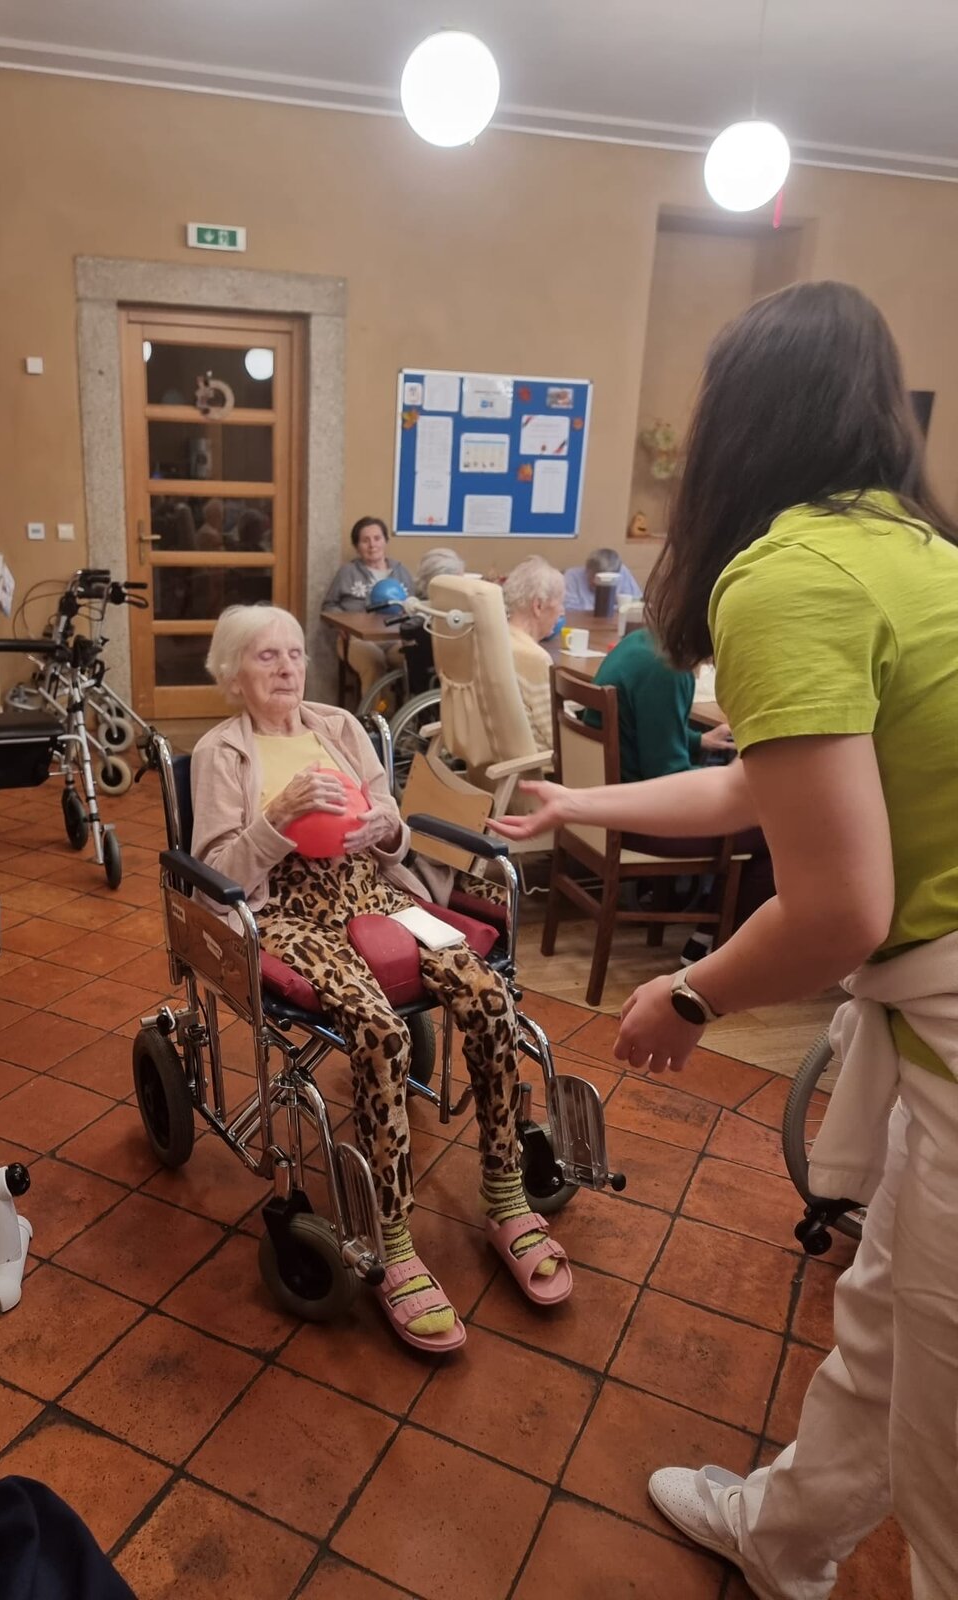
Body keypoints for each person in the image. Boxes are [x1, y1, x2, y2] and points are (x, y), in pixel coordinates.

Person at [493, 281, 958, 1600]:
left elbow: (839, 909)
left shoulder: (787, 579)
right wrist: (577, 801)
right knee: (881, 1323)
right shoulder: (922, 556)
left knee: (945, 1464)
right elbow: (763, 785)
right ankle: (783, 1537)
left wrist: (688, 997)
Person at [191, 604, 571, 1354]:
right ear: (232, 673)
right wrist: (278, 815)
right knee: (378, 1028)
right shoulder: (220, 752)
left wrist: (385, 829)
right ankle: (392, 1240)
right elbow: (215, 876)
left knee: (489, 996)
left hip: (375, 892)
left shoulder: (339, 726)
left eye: (294, 654)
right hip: (288, 913)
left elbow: (394, 825)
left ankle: (504, 1194)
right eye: (266, 657)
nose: (287, 668)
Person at [587, 623, 769, 961]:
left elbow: (636, 727)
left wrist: (698, 740)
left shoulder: (640, 643)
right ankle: (719, 947)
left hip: (610, 806)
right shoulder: (669, 669)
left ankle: (708, 931)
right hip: (641, 820)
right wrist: (731, 780)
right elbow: (670, 778)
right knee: (777, 830)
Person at [322, 516, 414, 700]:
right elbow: (329, 606)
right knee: (374, 662)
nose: (372, 545)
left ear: (385, 541)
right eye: (365, 540)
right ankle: (376, 716)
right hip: (357, 639)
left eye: (377, 538)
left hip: (394, 638)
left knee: (413, 660)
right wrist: (341, 624)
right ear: (357, 546)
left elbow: (414, 604)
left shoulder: (401, 571)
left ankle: (408, 713)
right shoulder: (348, 572)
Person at [501, 557, 566, 752]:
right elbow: (557, 736)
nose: (562, 612)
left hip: (500, 758)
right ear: (538, 606)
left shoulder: (497, 639)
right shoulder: (534, 658)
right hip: (539, 765)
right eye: (560, 603)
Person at [563, 547, 643, 611]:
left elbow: (636, 603)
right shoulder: (572, 576)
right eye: (594, 577)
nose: (597, 582)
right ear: (587, 569)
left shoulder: (622, 573)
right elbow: (569, 609)